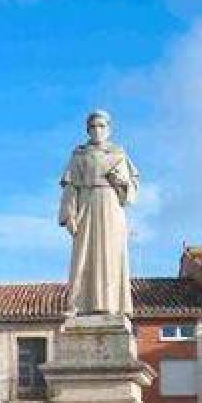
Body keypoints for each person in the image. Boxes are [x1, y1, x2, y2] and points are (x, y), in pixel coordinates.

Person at [58, 110, 139, 316]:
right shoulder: (79, 155)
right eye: (93, 126)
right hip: (86, 205)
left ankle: (115, 306)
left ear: (109, 129)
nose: (97, 130)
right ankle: (79, 305)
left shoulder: (119, 154)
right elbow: (70, 186)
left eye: (102, 126)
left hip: (111, 206)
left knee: (112, 255)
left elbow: (131, 190)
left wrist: (121, 182)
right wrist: (69, 215)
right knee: (84, 254)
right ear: (88, 130)